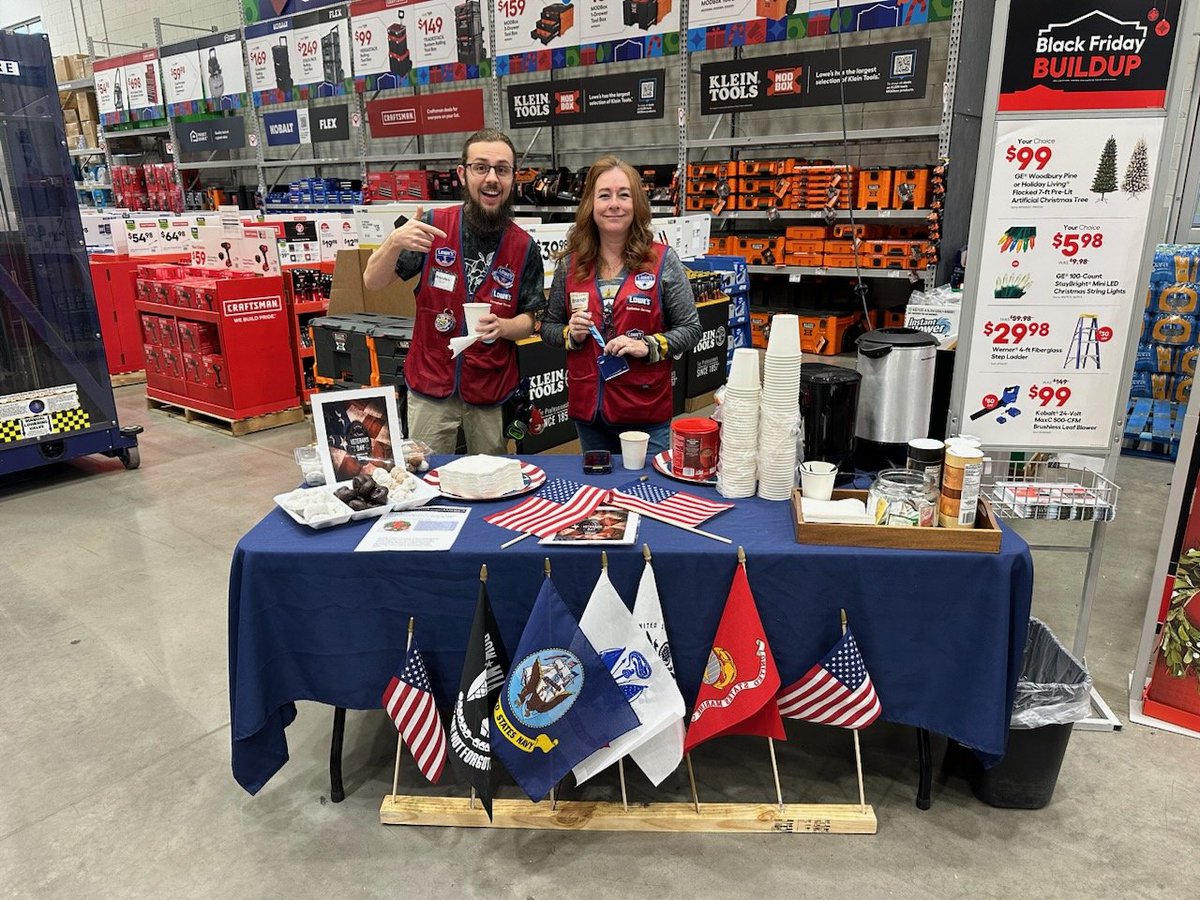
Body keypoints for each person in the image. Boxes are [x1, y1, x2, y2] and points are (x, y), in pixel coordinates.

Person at [362, 128, 545, 455]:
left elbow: (529, 320)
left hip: (490, 391)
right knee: (426, 477)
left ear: (513, 177)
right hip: (431, 386)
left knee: (489, 483)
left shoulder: (524, 246)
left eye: (501, 169)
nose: (491, 178)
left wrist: (503, 327)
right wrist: (392, 243)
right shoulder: (432, 226)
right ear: (463, 174)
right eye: (481, 167)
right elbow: (373, 281)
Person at [541, 155, 701, 456]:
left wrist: (650, 346)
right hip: (590, 413)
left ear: (636, 204)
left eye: (624, 195)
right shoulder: (570, 265)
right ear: (590, 204)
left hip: (646, 413)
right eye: (604, 195)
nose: (614, 204)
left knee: (647, 495)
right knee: (598, 495)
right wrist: (570, 335)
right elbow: (549, 328)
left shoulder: (663, 261)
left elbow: (691, 329)